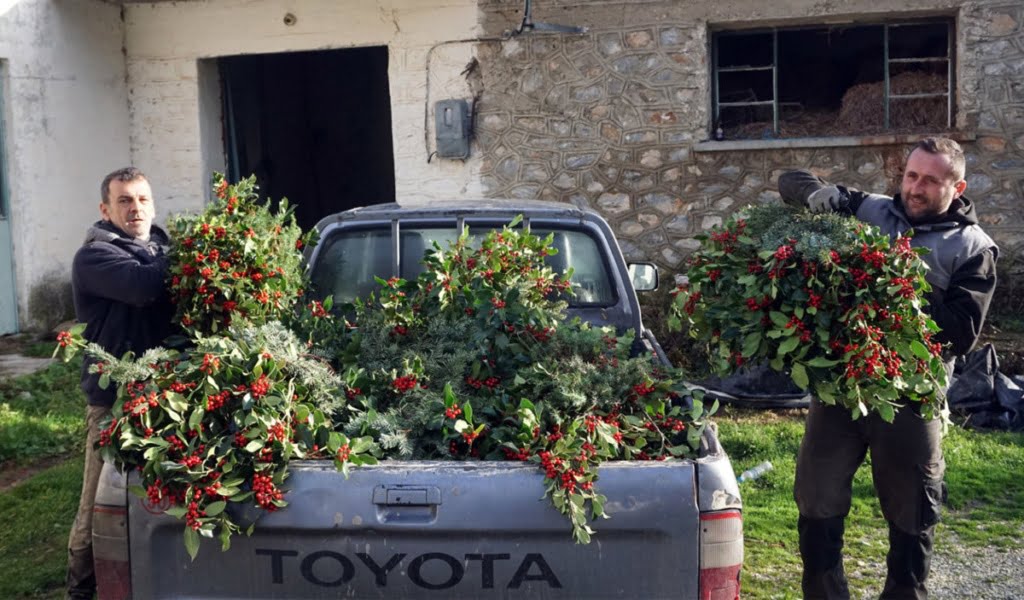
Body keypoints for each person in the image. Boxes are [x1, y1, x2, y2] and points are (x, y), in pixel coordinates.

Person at [778, 137, 998, 599]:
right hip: (841, 390)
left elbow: (959, 333)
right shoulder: (869, 210)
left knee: (912, 512)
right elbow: (790, 180)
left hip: (909, 399)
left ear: (957, 188)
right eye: (910, 176)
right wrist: (816, 195)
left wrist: (894, 284)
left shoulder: (973, 248)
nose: (915, 189)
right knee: (816, 499)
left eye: (930, 181)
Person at [66, 167, 174, 599]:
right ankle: (81, 588)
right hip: (113, 399)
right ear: (105, 209)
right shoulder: (94, 256)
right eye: (125, 201)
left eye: (143, 199)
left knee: (156, 494)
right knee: (99, 503)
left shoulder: (160, 248)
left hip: (166, 394)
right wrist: (196, 256)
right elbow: (143, 286)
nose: (136, 209)